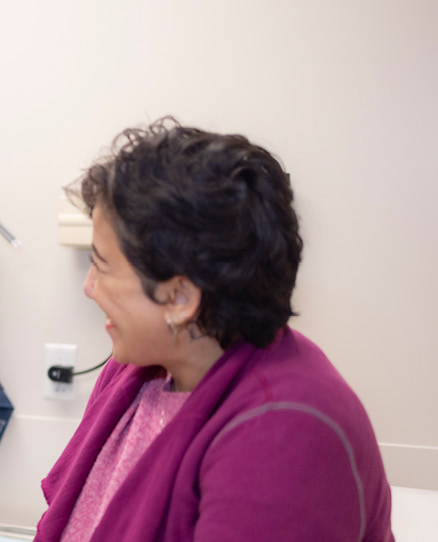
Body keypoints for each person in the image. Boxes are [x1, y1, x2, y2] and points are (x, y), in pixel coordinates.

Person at [35, 118, 393, 541]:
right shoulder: (141, 370)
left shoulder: (283, 434)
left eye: (102, 263)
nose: (89, 286)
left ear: (181, 299)